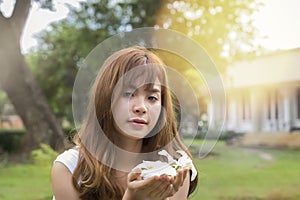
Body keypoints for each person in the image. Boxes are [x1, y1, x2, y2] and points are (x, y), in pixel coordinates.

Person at [51, 46, 198, 200]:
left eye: (152, 98)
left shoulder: (173, 171)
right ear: (105, 98)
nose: (141, 107)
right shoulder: (70, 168)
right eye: (128, 94)